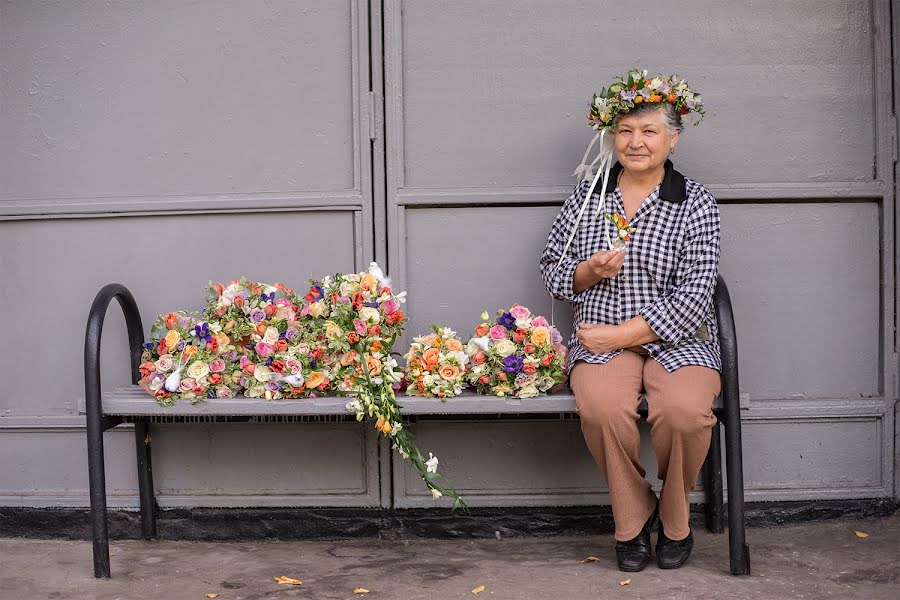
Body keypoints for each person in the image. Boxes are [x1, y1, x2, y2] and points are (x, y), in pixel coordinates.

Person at [539, 69, 720, 572]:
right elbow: (552, 273)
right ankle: (633, 518)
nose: (635, 142)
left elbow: (694, 299)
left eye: (649, 131)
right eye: (625, 131)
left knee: (685, 412)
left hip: (676, 340)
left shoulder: (696, 203)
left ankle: (677, 519)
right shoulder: (589, 197)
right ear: (610, 136)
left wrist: (620, 335)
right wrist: (586, 271)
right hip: (601, 340)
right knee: (601, 407)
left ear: (672, 140)